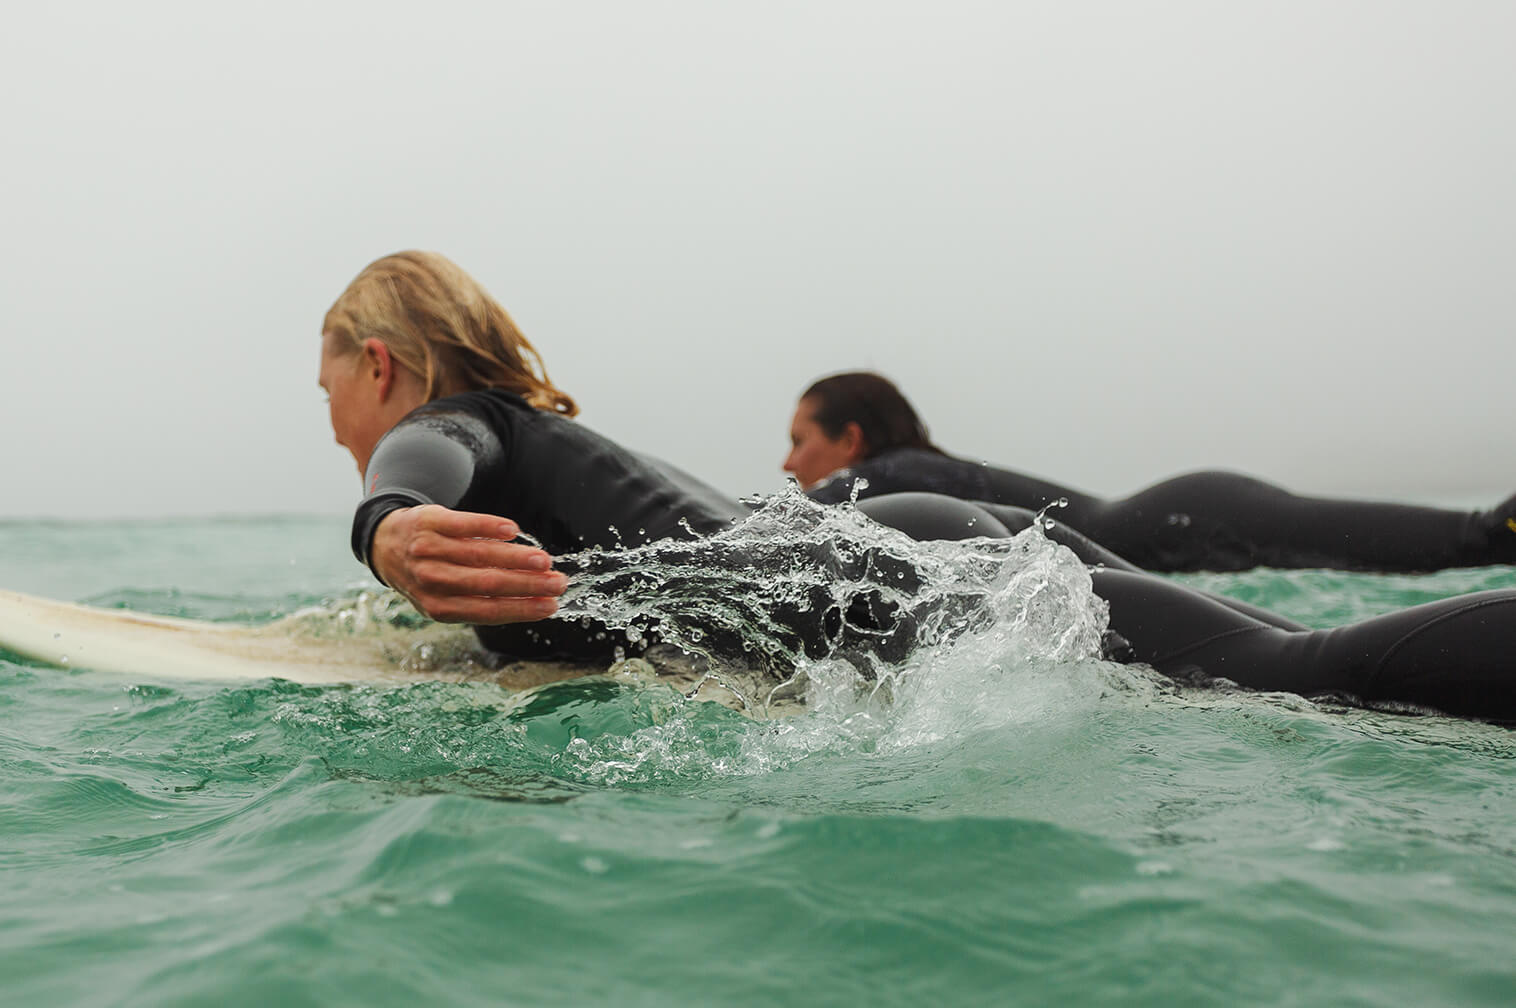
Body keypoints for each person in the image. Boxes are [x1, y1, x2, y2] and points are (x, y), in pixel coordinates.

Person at [323, 251, 1516, 724]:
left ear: (379, 363)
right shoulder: (545, 450)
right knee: (1297, 665)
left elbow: (420, 465)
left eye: (326, 383)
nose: (330, 420)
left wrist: (389, 527)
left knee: (1307, 679)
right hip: (899, 549)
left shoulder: (456, 428)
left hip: (868, 576)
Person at [785, 372, 1516, 573]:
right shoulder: (917, 475)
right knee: (1480, 544)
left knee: (1483, 538)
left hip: (1184, 522)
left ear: (849, 441)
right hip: (1184, 522)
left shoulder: (884, 477)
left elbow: (765, 534)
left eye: (799, 441)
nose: (788, 464)